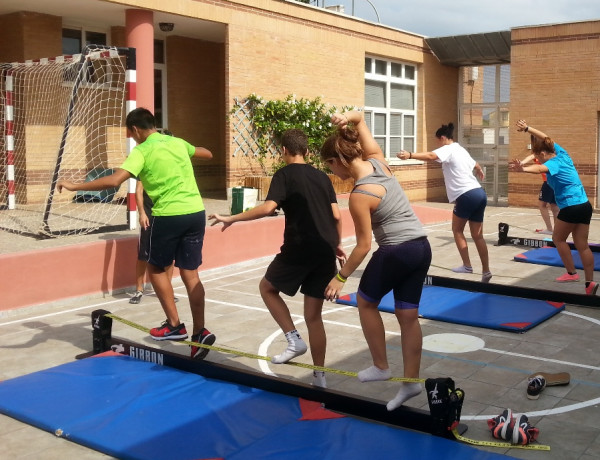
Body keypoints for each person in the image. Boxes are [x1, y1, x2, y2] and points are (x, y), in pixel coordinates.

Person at [57, 107, 218, 357]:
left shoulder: (142, 151)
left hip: (168, 216)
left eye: (131, 135)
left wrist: (73, 185)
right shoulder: (176, 143)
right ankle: (200, 333)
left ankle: (175, 326)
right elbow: (207, 153)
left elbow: (113, 181)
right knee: (191, 274)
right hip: (196, 213)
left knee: (155, 269)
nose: (133, 139)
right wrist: (188, 153)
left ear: (135, 130)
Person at [209, 129, 346, 388]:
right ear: (306, 150)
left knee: (267, 287)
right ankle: (319, 377)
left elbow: (269, 207)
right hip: (325, 249)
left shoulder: (283, 175)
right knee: (313, 317)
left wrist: (232, 217)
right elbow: (337, 216)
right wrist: (336, 244)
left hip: (299, 248)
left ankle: (293, 339)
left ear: (283, 151)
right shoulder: (322, 177)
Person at [321, 110, 431, 411]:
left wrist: (339, 277)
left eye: (330, 166)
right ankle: (410, 384)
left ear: (339, 160)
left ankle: (381, 366)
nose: (333, 173)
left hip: (396, 250)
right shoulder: (379, 161)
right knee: (407, 316)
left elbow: (363, 246)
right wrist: (348, 118)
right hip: (421, 247)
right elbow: (359, 120)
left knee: (366, 302)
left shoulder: (359, 194)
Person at [510, 119, 597, 296]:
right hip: (585, 205)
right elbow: (546, 137)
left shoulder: (552, 163)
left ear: (543, 153)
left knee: (558, 239)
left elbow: (540, 168)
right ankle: (589, 283)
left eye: (538, 155)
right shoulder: (563, 154)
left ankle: (572, 273)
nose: (537, 157)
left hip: (571, 207)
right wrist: (528, 129)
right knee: (583, 245)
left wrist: (523, 170)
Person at [397, 122, 492, 283]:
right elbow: (475, 163)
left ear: (442, 138)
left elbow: (431, 156)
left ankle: (467, 266)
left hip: (466, 195)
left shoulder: (448, 149)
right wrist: (479, 169)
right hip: (479, 193)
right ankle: (486, 271)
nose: (437, 145)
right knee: (478, 236)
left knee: (457, 230)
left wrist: (410, 155)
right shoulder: (461, 149)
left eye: (437, 141)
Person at [129, 180, 177, 304]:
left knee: (169, 254)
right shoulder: (146, 166)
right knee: (143, 254)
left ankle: (167, 289)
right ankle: (139, 289)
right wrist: (142, 213)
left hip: (167, 215)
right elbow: (138, 191)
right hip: (149, 217)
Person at [519, 143, 559, 235]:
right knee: (554, 206)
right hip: (554, 183)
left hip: (549, 183)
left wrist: (522, 165)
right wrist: (522, 163)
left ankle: (550, 229)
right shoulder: (553, 155)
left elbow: (532, 157)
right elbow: (530, 156)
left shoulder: (544, 155)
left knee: (542, 205)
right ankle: (557, 231)